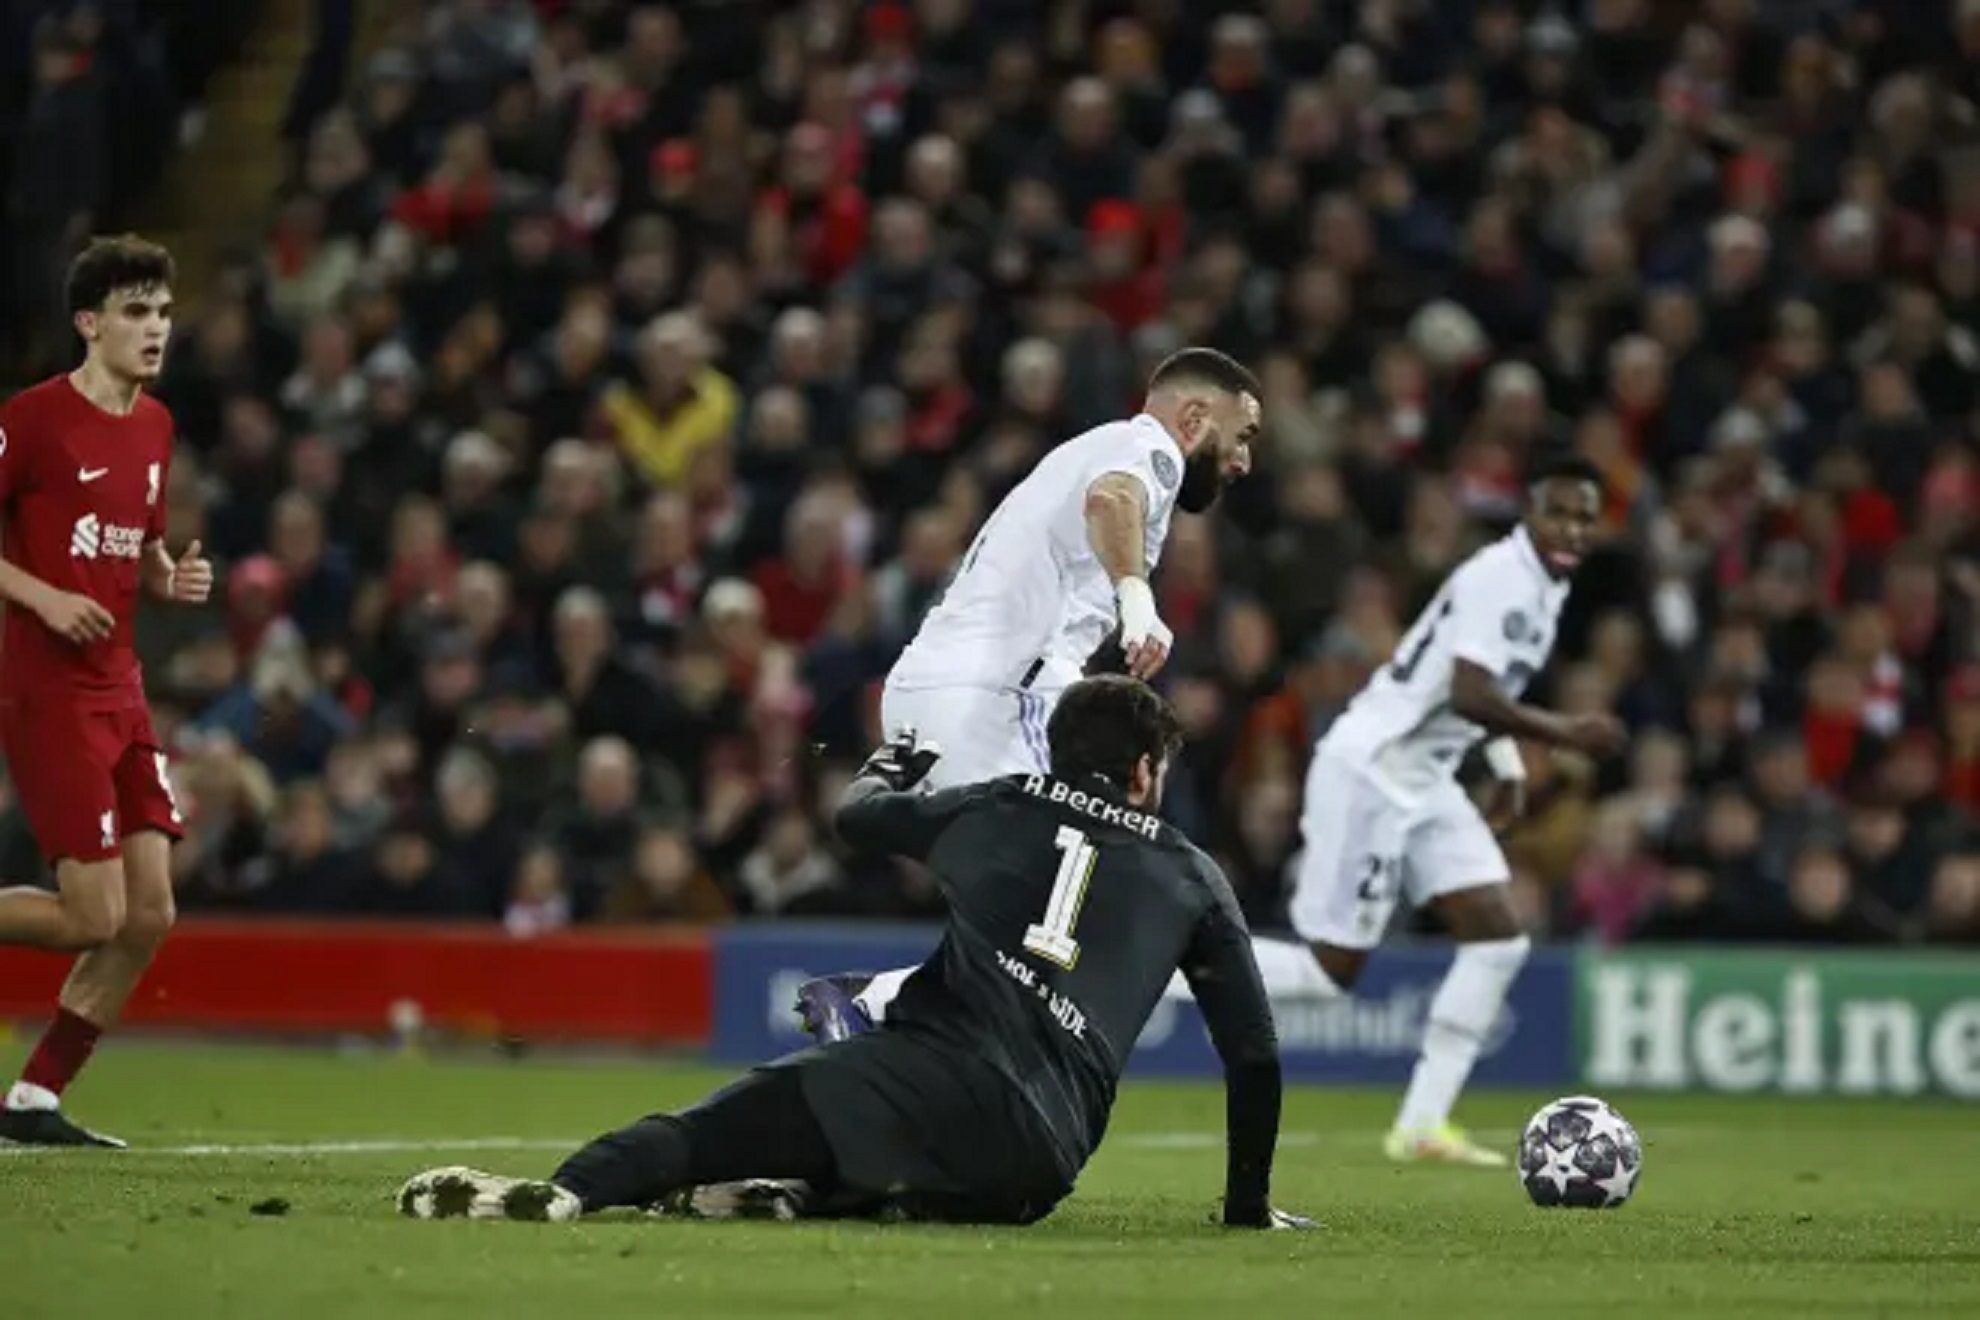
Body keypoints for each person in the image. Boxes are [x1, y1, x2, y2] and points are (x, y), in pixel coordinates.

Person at [398, 675, 1308, 1231]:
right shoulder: (1193, 873)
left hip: (917, 1077)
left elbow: (856, 819)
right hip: (1040, 1159)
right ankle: (810, 1194)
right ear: (1147, 771)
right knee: (919, 1174)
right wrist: (1242, 1208)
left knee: (709, 1129)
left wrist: (892, 763)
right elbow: (1255, 1054)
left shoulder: (1001, 804)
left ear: (1058, 754)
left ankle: (568, 1193)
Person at [799, 346, 1262, 1035]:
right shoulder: (1147, 451)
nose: (1244, 461)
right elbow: (1113, 500)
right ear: (1195, 417)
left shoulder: (1101, 450)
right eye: (1243, 436)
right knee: (1072, 915)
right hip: (988, 697)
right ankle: (872, 1006)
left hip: (969, 693)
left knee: (1057, 926)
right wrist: (1136, 600)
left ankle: (874, 1015)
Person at [1186, 450, 1626, 1167]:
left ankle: (1422, 1126)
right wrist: (1564, 732)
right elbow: (1470, 691)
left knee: (1498, 935)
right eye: (1560, 511)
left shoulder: (1545, 584)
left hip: (1426, 775)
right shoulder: (1503, 581)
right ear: (1529, 512)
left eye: (1585, 515)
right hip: (1373, 771)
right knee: (1331, 976)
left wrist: (1508, 761)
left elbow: (1480, 684)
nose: (1573, 527)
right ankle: (1168, 963)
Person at [0, 235, 214, 1147]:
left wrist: (169, 577)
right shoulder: (34, 419)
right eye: (135, 312)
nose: (154, 328)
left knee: (150, 912)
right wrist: (42, 594)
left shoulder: (156, 425)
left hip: (119, 690)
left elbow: (143, 544)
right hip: (45, 691)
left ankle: (36, 1097)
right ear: (89, 323)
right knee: (93, 915)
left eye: (162, 312)